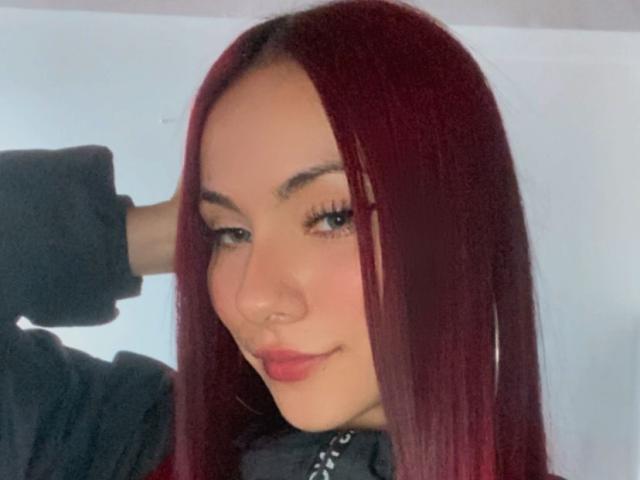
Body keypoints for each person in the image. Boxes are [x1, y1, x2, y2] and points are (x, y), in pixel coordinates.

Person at [1, 1, 567, 479]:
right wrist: (144, 235)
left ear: (461, 229)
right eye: (230, 232)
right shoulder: (132, 439)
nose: (252, 298)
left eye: (334, 217)